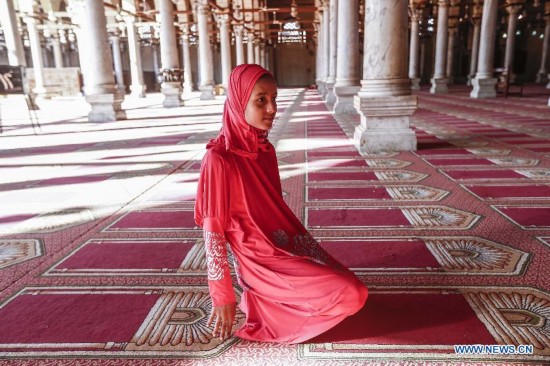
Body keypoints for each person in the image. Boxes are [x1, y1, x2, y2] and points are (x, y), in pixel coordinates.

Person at [194, 64, 368, 344]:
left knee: (349, 285)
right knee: (351, 294)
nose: (272, 109)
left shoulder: (265, 151)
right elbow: (213, 232)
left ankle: (270, 301)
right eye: (260, 100)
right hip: (258, 260)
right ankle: (266, 306)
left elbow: (274, 209)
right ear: (239, 103)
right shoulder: (218, 160)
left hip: (283, 245)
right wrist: (222, 294)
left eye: (274, 99)